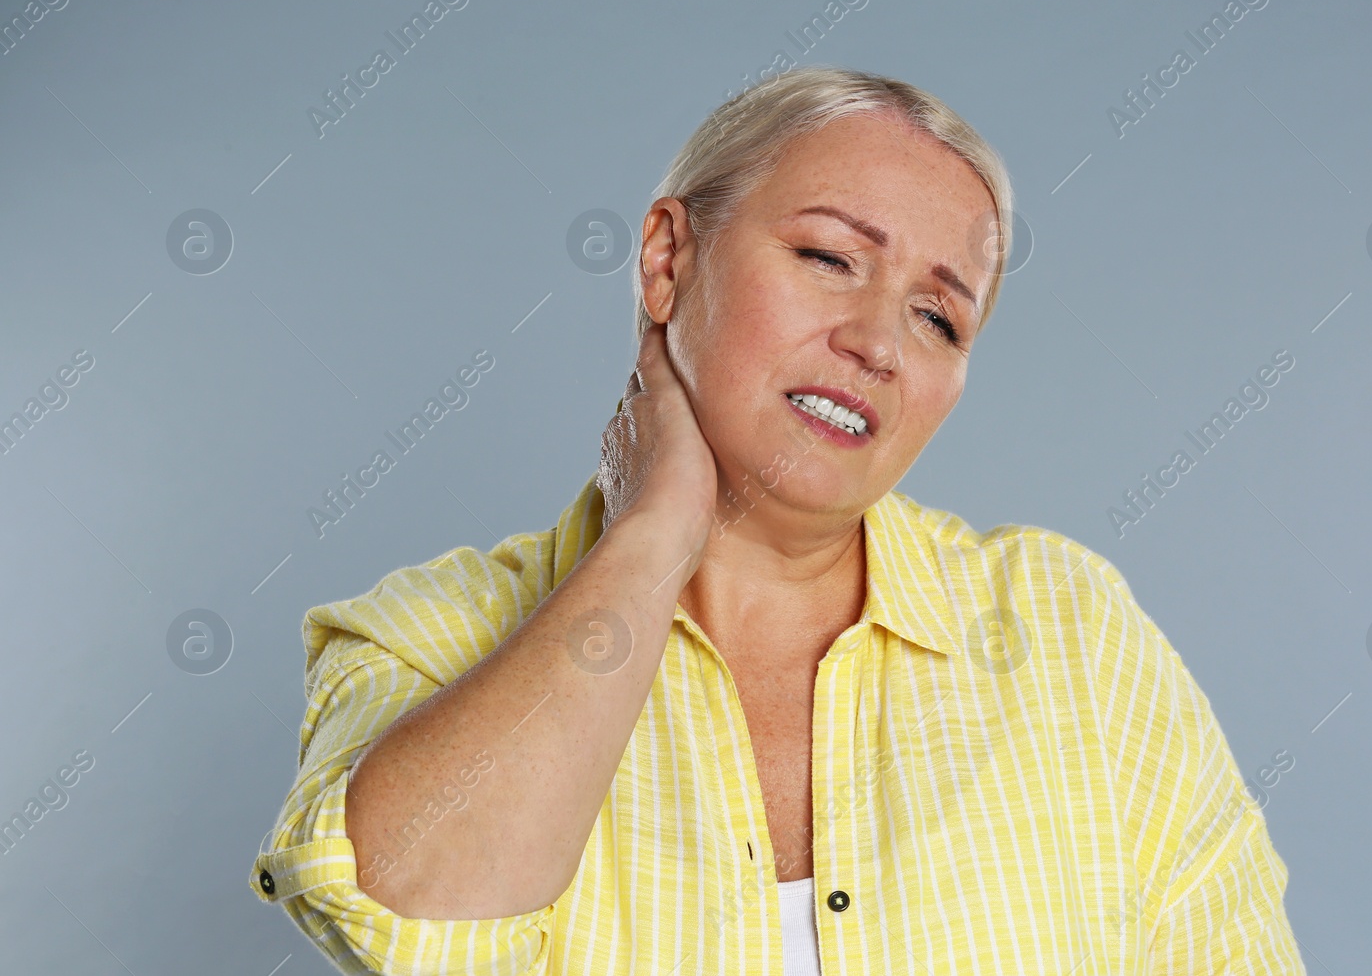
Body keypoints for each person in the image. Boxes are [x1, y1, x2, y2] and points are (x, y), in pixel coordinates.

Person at [248, 66, 1308, 975]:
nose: (878, 341)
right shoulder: (427, 629)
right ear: (668, 259)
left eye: (938, 315)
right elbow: (400, 902)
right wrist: (657, 525)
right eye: (829, 258)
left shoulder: (1071, 633)